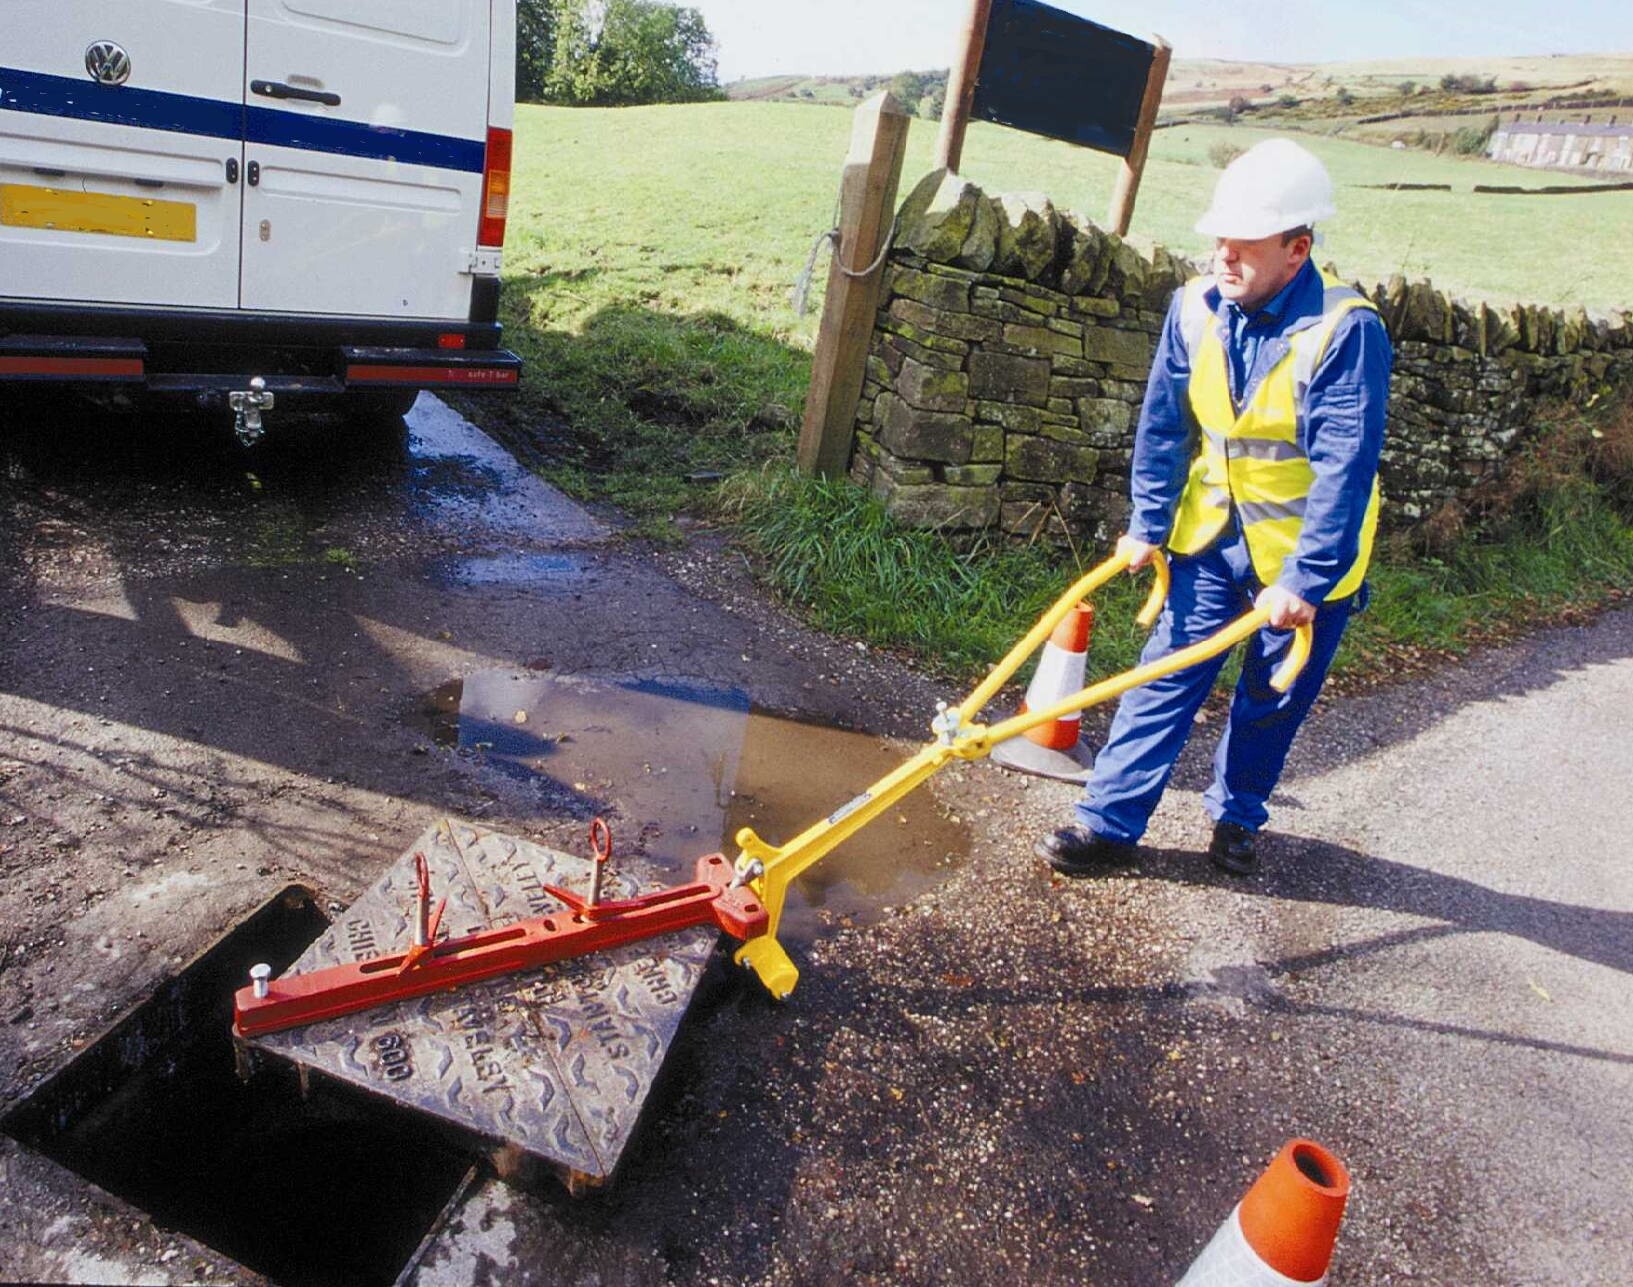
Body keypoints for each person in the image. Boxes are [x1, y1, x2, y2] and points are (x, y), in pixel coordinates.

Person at [1034, 138, 1393, 878]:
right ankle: (1106, 823)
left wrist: (1306, 578)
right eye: (1218, 240)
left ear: (1297, 249)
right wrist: (1147, 522)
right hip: (1209, 539)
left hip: (1303, 558)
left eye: (1244, 244)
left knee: (1271, 697)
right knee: (1162, 674)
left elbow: (1342, 469)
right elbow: (1163, 424)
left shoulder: (1344, 330)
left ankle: (1236, 816)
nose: (1223, 257)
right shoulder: (1195, 309)